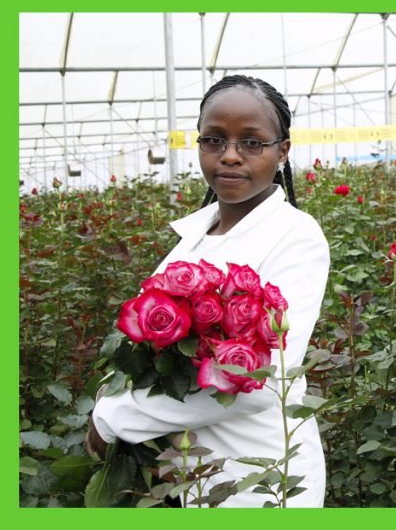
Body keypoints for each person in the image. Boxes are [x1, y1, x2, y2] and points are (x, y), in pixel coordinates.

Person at [86, 75, 330, 507]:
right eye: (214, 140)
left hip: (260, 482)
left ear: (283, 150)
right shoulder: (196, 234)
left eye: (252, 142)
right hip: (191, 473)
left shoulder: (297, 236)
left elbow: (264, 375)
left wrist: (114, 417)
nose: (230, 156)